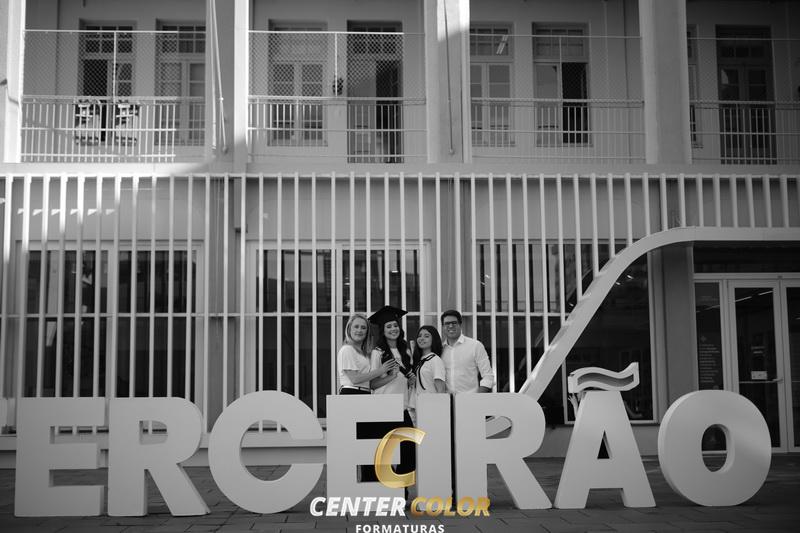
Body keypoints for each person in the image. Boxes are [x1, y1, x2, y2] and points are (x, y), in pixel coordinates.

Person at [365, 305, 416, 482]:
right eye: (389, 326)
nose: (393, 329)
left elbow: (405, 380)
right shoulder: (377, 353)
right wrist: (391, 376)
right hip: (383, 407)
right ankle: (382, 490)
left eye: (395, 325)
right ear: (383, 330)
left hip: (402, 407)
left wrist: (410, 380)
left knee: (409, 450)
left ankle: (402, 490)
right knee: (383, 453)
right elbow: (372, 384)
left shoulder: (406, 350)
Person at [337, 313, 397, 395]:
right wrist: (381, 370)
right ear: (349, 329)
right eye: (356, 326)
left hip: (365, 392)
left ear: (367, 332)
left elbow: (370, 385)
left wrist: (392, 376)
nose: (359, 330)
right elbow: (355, 379)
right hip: (351, 392)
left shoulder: (364, 353)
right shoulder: (347, 349)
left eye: (363, 328)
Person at [440, 309, 494, 393]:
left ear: (460, 325)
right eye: (447, 323)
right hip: (445, 400)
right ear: (443, 327)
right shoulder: (440, 349)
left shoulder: (475, 346)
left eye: (454, 323)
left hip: (470, 399)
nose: (450, 326)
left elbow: (488, 377)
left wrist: (477, 397)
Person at [412, 325, 447, 394]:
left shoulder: (435, 360)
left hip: (431, 400)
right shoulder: (419, 360)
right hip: (418, 399)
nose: (422, 338)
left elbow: (441, 390)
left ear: (434, 339)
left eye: (426, 336)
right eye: (419, 336)